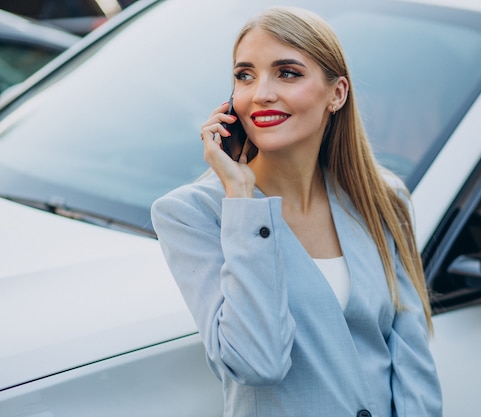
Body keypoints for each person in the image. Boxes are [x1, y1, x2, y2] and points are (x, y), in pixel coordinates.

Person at [151, 6, 442, 417]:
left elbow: (413, 359)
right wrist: (241, 195)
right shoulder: (193, 214)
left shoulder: (383, 197)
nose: (261, 93)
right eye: (244, 75)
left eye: (287, 72)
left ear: (337, 94)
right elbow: (258, 363)